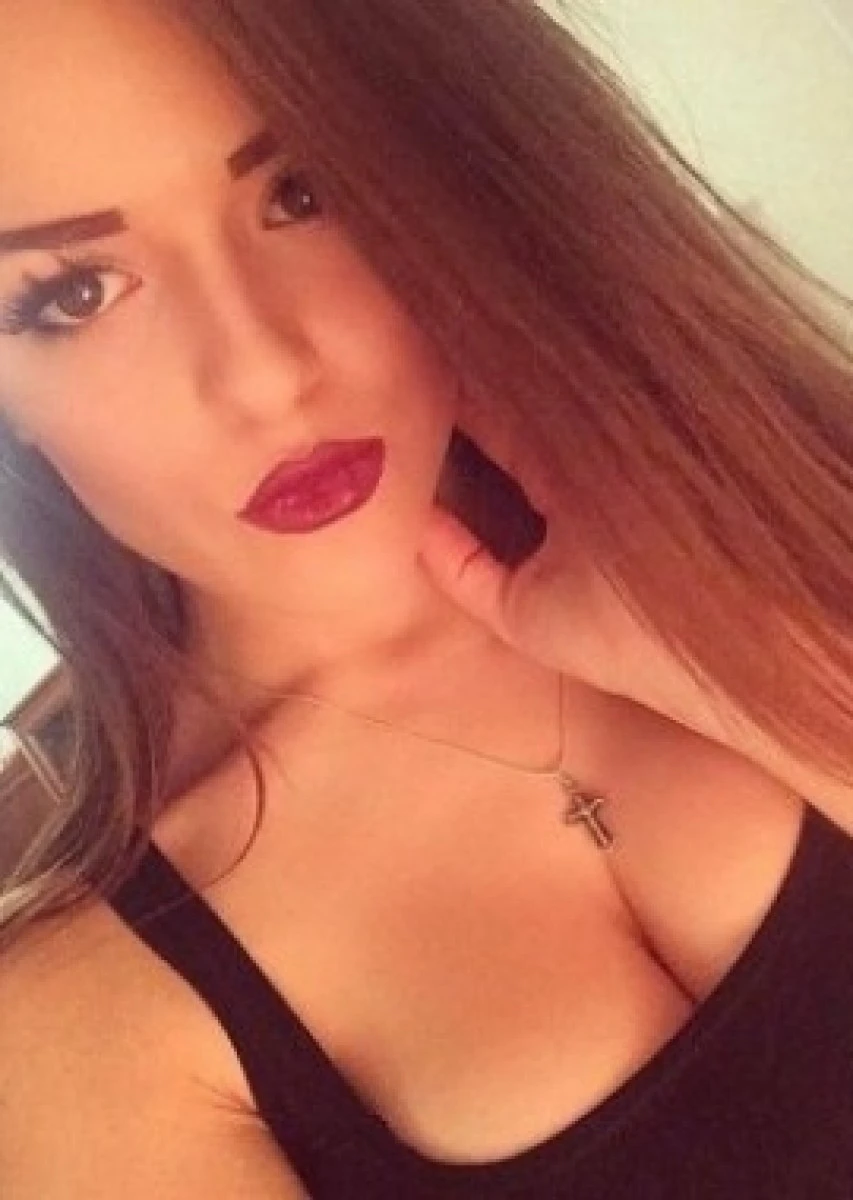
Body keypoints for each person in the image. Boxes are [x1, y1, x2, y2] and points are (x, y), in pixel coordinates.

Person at [0, 0, 852, 1195]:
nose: (264, 370)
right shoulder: (79, 1031)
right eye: (76, 294)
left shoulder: (779, 482)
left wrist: (743, 664)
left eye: (301, 191)